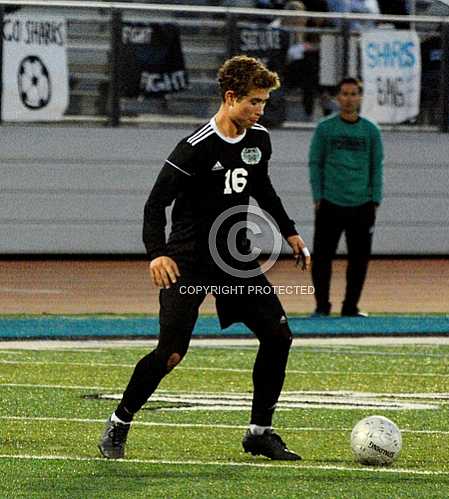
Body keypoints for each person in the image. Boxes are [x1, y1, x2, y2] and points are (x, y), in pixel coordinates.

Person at [98, 55, 311, 461]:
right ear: (230, 98)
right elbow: (154, 205)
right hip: (188, 261)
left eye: (264, 102)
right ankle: (120, 421)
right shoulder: (194, 148)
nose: (260, 110)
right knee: (171, 354)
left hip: (235, 257)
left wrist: (289, 230)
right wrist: (157, 255)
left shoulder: (258, 139)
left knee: (279, 335)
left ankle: (259, 432)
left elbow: (261, 187)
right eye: (253, 102)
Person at [308, 77, 383, 317]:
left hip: (362, 204)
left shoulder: (371, 130)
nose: (349, 99)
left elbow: (376, 166)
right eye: (344, 94)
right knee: (321, 258)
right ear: (337, 97)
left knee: (359, 260)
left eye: (353, 94)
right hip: (330, 202)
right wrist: (318, 196)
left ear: (360, 98)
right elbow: (315, 163)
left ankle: (350, 307)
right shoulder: (325, 128)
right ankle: (322, 306)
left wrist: (375, 198)